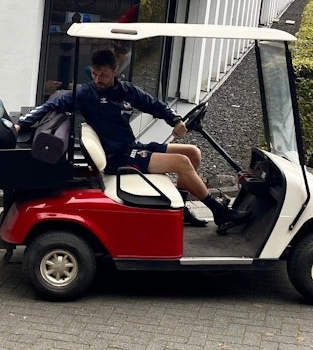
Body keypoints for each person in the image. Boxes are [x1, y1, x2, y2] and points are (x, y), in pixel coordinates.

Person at [16, 48, 242, 227]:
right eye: (94, 74)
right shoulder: (86, 94)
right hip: (117, 158)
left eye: (103, 75)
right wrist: (21, 123)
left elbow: (153, 104)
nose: (98, 79)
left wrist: (175, 119)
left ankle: (181, 209)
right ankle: (219, 211)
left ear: (114, 71)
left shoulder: (126, 91)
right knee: (182, 163)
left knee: (193, 153)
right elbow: (51, 105)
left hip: (130, 148)